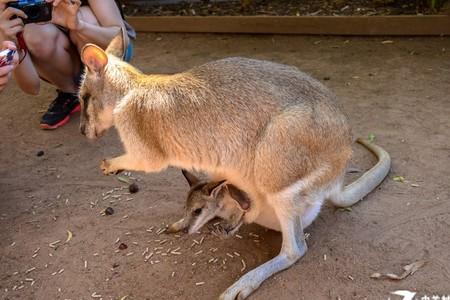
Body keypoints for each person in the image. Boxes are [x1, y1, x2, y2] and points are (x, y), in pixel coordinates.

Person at [0, 0, 135, 129]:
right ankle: (71, 93)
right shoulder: (11, 6)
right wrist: (10, 42)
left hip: (112, 51)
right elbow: (31, 87)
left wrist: (78, 25)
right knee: (34, 32)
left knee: (85, 15)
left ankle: (101, 90)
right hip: (65, 60)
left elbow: (122, 40)